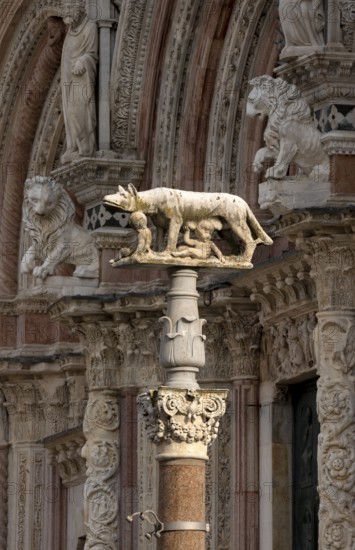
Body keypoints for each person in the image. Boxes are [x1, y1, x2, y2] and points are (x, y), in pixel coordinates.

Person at [61, 1, 98, 163]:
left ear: (79, 7)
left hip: (81, 79)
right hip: (68, 82)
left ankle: (86, 148)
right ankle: (73, 147)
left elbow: (92, 54)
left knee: (78, 112)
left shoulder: (89, 27)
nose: (66, 12)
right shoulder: (70, 32)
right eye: (65, 9)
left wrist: (83, 61)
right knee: (69, 113)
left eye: (69, 8)